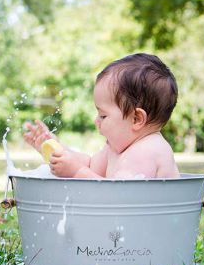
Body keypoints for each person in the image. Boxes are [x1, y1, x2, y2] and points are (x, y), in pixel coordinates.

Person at [23, 53, 180, 179]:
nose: (96, 121)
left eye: (103, 116)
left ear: (136, 119)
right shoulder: (116, 149)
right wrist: (57, 150)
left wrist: (76, 172)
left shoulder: (147, 151)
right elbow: (90, 165)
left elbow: (118, 197)